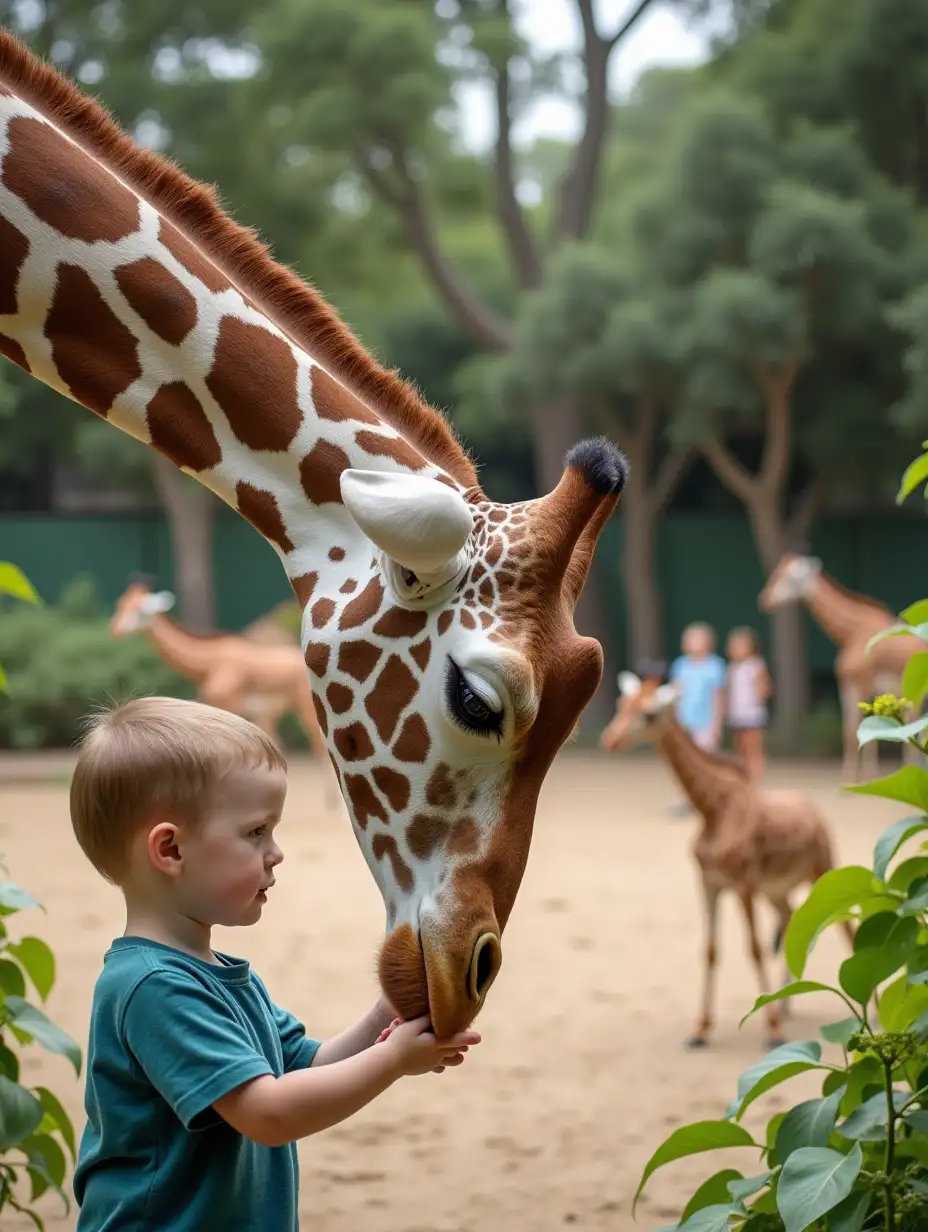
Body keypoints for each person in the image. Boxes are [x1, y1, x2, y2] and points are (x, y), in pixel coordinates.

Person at [69, 696, 480, 1232]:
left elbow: (308, 1067)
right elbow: (269, 1113)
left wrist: (388, 1016)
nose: (276, 851)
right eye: (256, 831)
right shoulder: (152, 987)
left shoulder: (222, 975)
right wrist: (393, 1061)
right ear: (170, 850)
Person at [667, 622, 727, 816]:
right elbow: (675, 695)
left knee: (706, 764)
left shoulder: (715, 666)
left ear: (708, 643)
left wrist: (716, 726)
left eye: (697, 639)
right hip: (685, 724)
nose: (692, 643)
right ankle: (686, 799)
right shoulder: (680, 665)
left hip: (705, 724)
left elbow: (719, 698)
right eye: (689, 639)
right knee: (686, 763)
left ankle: (709, 799)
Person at [725, 625, 772, 782]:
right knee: (740, 750)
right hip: (736, 715)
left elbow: (765, 689)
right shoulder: (732, 667)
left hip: (752, 715)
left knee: (754, 750)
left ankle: (755, 780)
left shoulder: (756, 665)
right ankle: (743, 780)